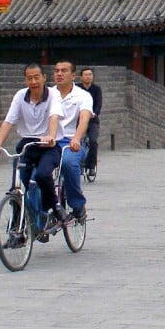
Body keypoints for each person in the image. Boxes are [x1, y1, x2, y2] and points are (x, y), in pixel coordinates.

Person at [0, 64, 68, 243]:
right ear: (25, 80)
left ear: (44, 78)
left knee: (42, 175)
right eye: (29, 78)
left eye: (36, 77)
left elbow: (54, 116)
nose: (33, 81)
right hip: (27, 144)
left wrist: (51, 137)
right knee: (19, 188)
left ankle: (54, 206)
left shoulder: (53, 94)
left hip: (49, 145)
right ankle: (18, 232)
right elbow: (9, 121)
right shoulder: (20, 96)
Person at [53, 60, 94, 221]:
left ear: (73, 75)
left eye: (64, 71)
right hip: (50, 141)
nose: (59, 74)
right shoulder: (48, 94)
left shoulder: (83, 96)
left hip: (71, 141)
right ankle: (35, 216)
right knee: (33, 172)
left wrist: (77, 138)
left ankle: (77, 204)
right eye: (56, 71)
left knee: (69, 163)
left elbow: (84, 119)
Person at [79, 67, 102, 177]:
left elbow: (98, 104)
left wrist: (95, 113)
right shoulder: (77, 89)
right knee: (75, 140)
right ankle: (77, 164)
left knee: (93, 141)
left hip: (92, 120)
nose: (88, 76)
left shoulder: (96, 89)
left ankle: (91, 166)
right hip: (79, 119)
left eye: (90, 74)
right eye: (86, 74)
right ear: (81, 77)